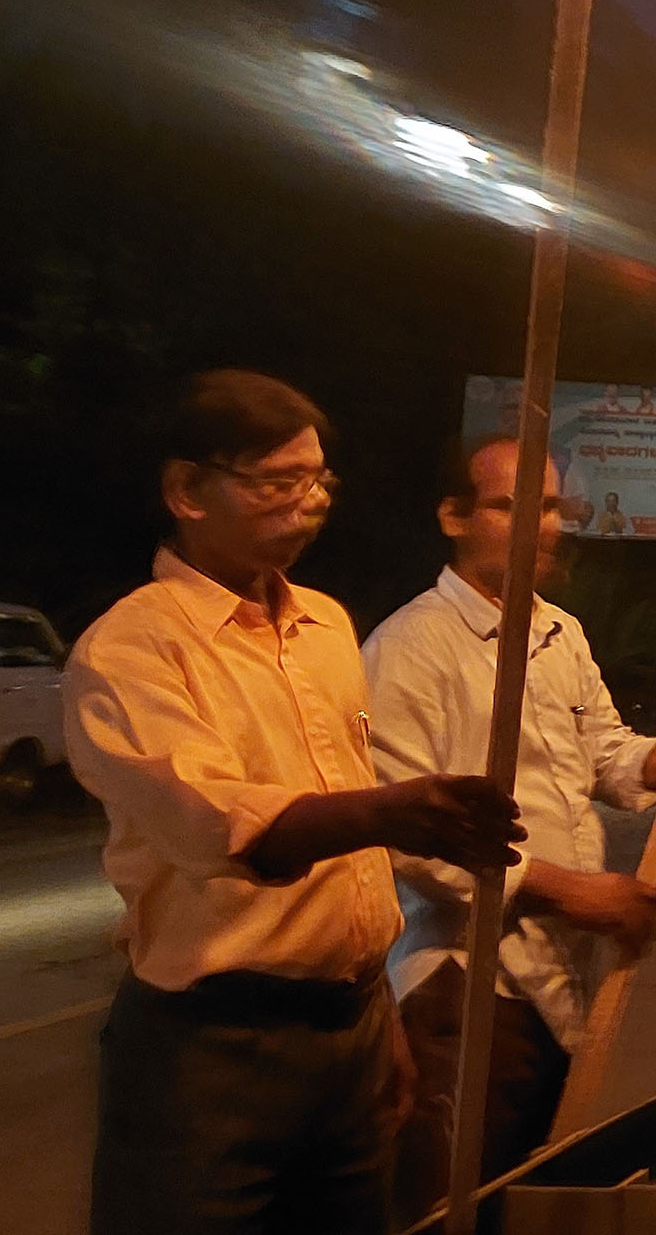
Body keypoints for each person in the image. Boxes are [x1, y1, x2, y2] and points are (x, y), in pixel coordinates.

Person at [64, 370, 523, 1235]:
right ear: (186, 490)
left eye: (318, 482)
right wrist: (393, 812)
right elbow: (222, 827)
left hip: (350, 1030)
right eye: (277, 483)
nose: (308, 505)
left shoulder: (325, 626)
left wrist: (379, 1018)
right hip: (214, 1049)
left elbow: (352, 863)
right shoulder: (131, 649)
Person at [363, 435, 656, 1221]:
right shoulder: (409, 647)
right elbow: (409, 835)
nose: (543, 526)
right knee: (449, 1208)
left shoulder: (560, 633)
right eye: (512, 506)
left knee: (533, 1206)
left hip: (556, 986)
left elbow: (607, 757)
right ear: (454, 517)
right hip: (464, 989)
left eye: (550, 506)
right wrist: (567, 891)